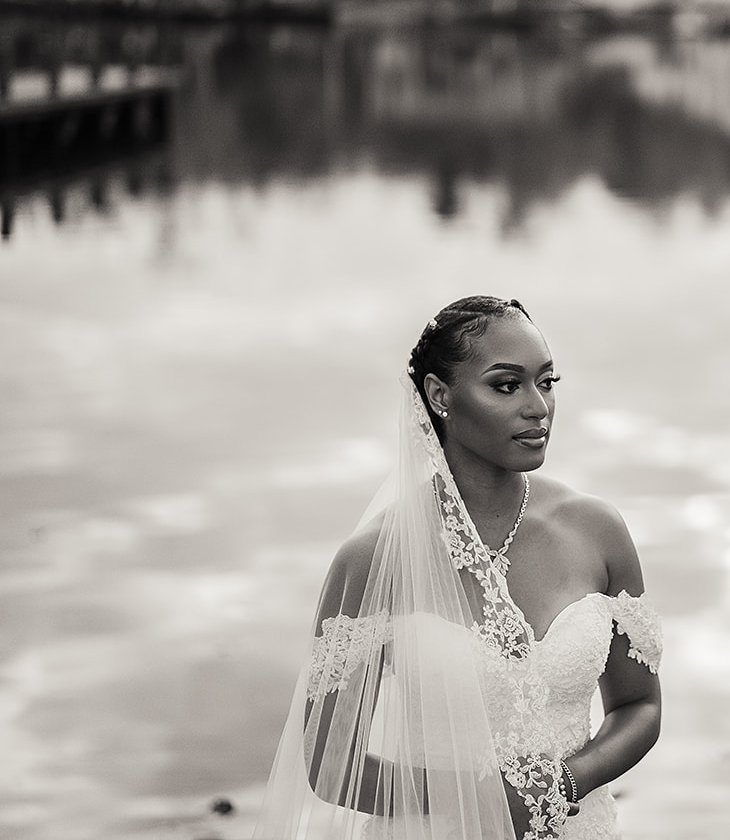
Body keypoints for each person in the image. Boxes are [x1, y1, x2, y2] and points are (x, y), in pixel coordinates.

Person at [255, 295, 662, 840]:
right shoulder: (372, 559)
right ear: (440, 396)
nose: (538, 407)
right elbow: (332, 764)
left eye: (546, 381)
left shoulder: (596, 530)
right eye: (506, 385)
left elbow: (639, 705)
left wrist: (566, 782)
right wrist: (478, 798)